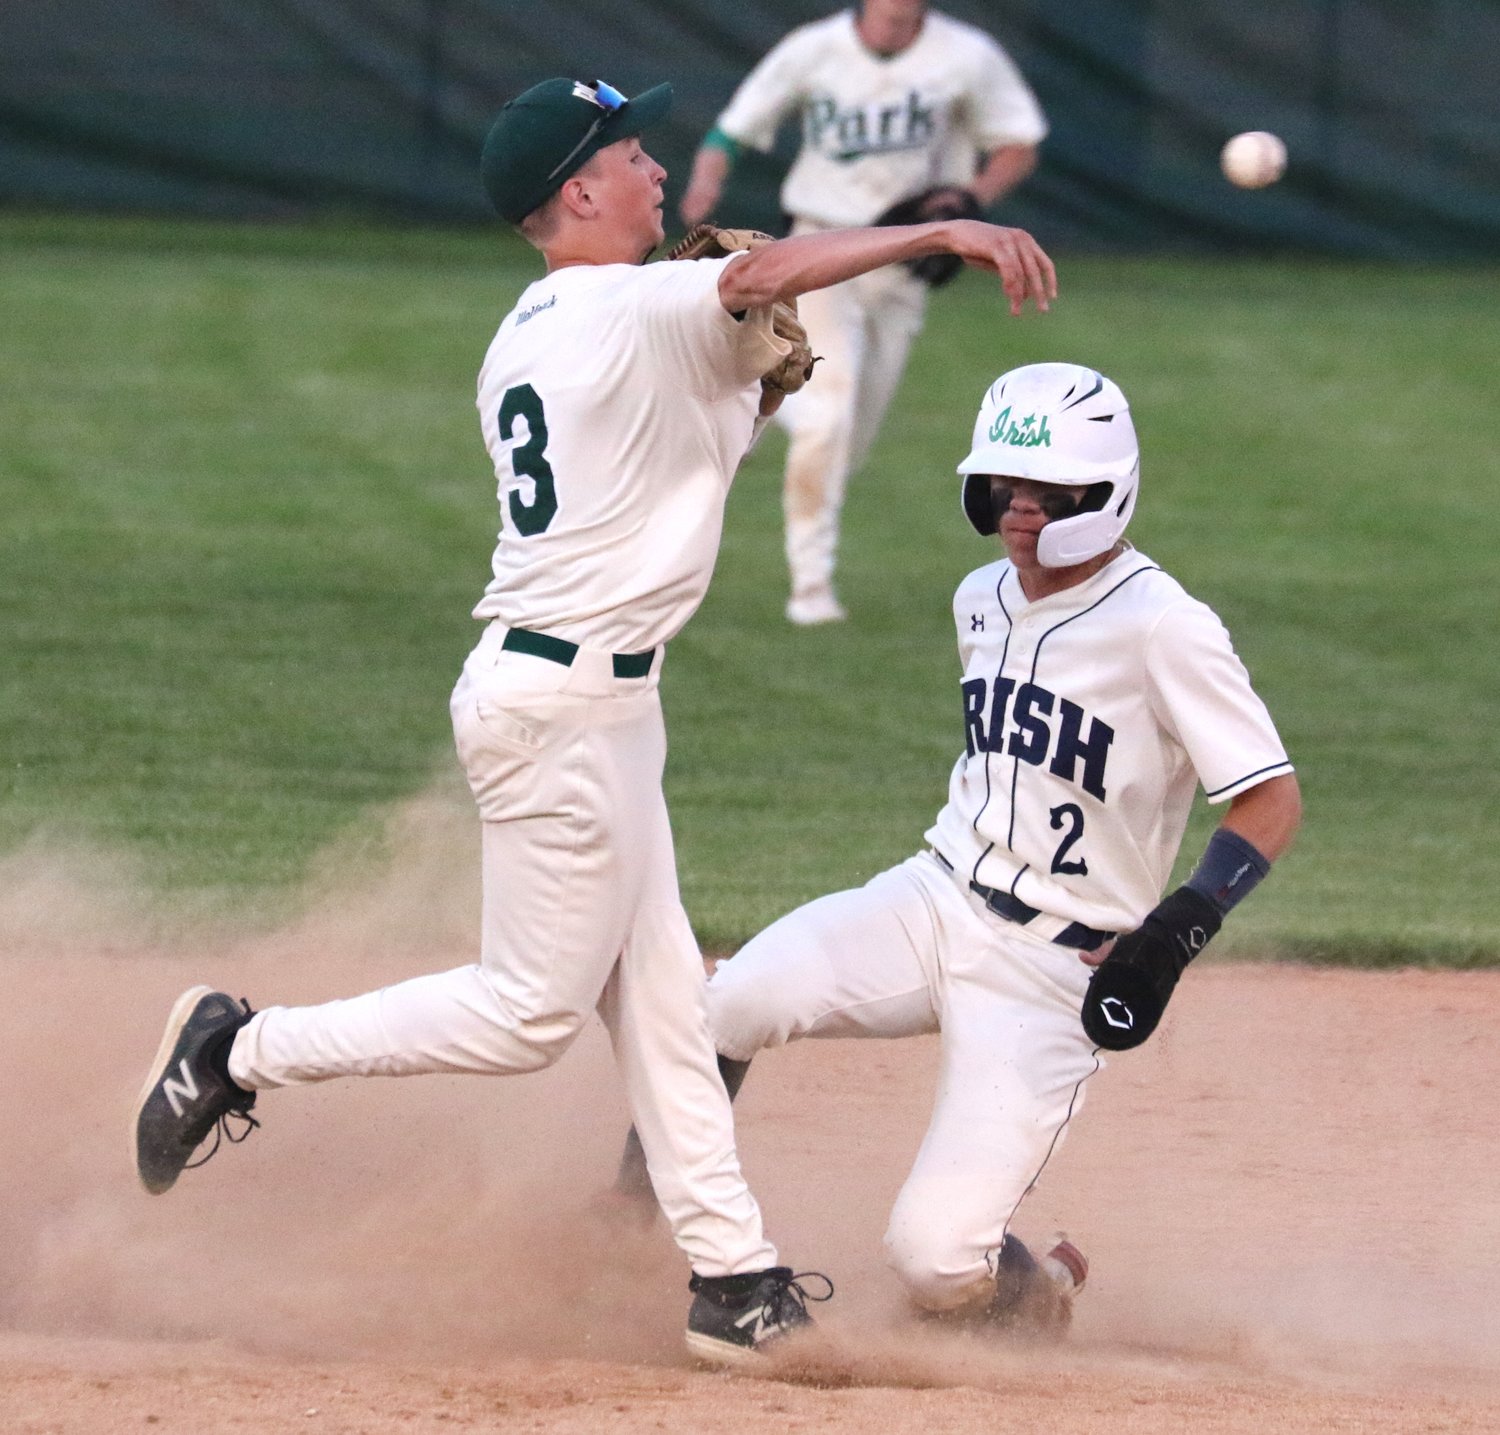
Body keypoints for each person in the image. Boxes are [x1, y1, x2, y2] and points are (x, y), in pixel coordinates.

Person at [131, 77, 1058, 1366]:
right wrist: (937, 234)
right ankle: (237, 1050)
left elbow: (681, 451)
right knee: (525, 1015)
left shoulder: (546, 332)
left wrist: (757, 382)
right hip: (557, 707)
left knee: (668, 997)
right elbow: (767, 272)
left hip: (601, 706)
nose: (658, 172)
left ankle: (735, 1280)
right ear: (577, 190)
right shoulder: (627, 304)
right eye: (631, 153)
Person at [611, 361, 1302, 1334]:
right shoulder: (981, 596)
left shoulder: (1166, 628)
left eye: (1047, 493)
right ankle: (623, 1217)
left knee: (935, 1263)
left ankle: (1036, 1293)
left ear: (1105, 494)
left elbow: (1270, 797)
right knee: (729, 999)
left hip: (1053, 972)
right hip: (936, 895)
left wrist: (1179, 927)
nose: (1019, 512)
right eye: (1003, 489)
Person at [679, 0, 1049, 626]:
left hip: (905, 264)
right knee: (831, 412)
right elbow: (732, 130)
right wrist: (705, 182)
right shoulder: (816, 47)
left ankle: (760, 397)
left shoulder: (966, 55)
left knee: (850, 434)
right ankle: (811, 586)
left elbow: (1019, 142)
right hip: (820, 250)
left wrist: (969, 198)